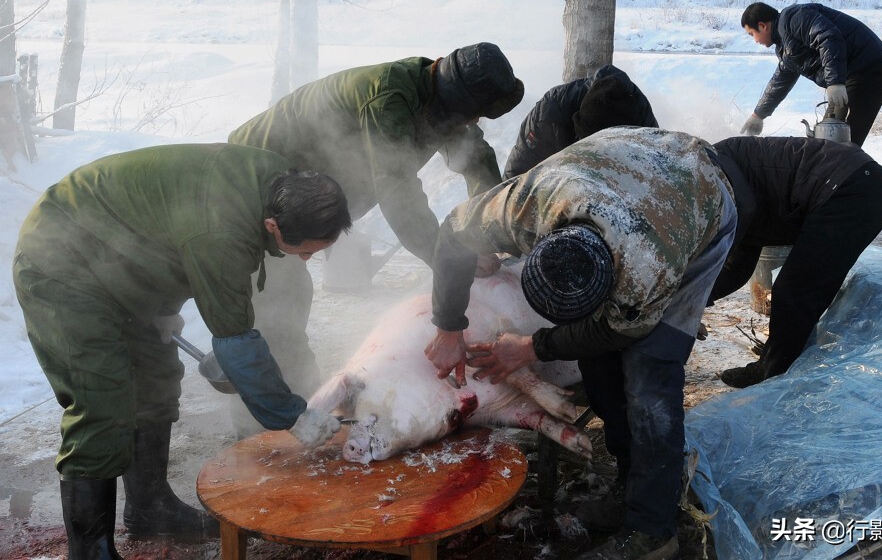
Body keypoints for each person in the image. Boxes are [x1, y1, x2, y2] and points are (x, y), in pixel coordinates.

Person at [12, 143, 353, 559]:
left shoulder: (282, 185)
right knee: (102, 401)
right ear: (272, 225)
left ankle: (149, 506)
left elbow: (165, 230)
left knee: (156, 378)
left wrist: (161, 306)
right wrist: (294, 415)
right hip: (63, 262)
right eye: (306, 250)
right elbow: (235, 340)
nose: (307, 259)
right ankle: (89, 550)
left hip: (118, 264)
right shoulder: (223, 231)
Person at [424, 127, 737, 560]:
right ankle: (629, 484)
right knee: (599, 368)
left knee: (650, 382)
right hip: (624, 160)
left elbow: (617, 331)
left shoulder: (647, 274)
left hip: (697, 196)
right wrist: (448, 326)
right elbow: (452, 232)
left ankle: (653, 530)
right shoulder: (523, 205)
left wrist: (532, 347)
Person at [228, 42, 524, 434]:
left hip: (306, 195)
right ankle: (265, 428)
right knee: (275, 304)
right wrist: (451, 258)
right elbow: (399, 194)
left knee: (288, 300)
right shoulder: (390, 101)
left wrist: (491, 232)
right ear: (453, 99)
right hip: (255, 185)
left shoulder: (439, 98)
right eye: (470, 114)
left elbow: (477, 159)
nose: (471, 122)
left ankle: (297, 407)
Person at [704, 136, 882, 388]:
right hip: (855, 185)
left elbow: (740, 219)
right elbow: (738, 266)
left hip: (852, 189)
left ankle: (775, 383)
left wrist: (685, 303)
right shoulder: (723, 177)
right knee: (796, 292)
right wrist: (696, 300)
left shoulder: (714, 171)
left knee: (795, 292)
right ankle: (771, 368)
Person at [739, 1, 882, 147]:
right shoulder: (784, 46)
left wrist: (835, 82)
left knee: (842, 144)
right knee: (828, 140)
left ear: (762, 26)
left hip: (868, 69)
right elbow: (780, 81)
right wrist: (758, 115)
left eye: (752, 34)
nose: (755, 40)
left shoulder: (794, 18)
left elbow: (828, 38)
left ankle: (849, 165)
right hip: (850, 77)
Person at [502, 63, 658, 179]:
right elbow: (515, 176)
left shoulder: (645, 131)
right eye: (589, 146)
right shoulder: (549, 115)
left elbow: (655, 182)